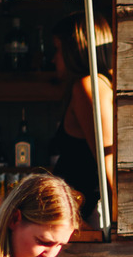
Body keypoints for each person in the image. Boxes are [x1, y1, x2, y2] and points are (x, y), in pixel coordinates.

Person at [49, 13, 114, 228]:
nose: (53, 59)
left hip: (86, 216)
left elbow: (107, 160)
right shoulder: (99, 84)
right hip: (78, 213)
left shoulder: (89, 87)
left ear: (74, 50)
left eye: (57, 49)